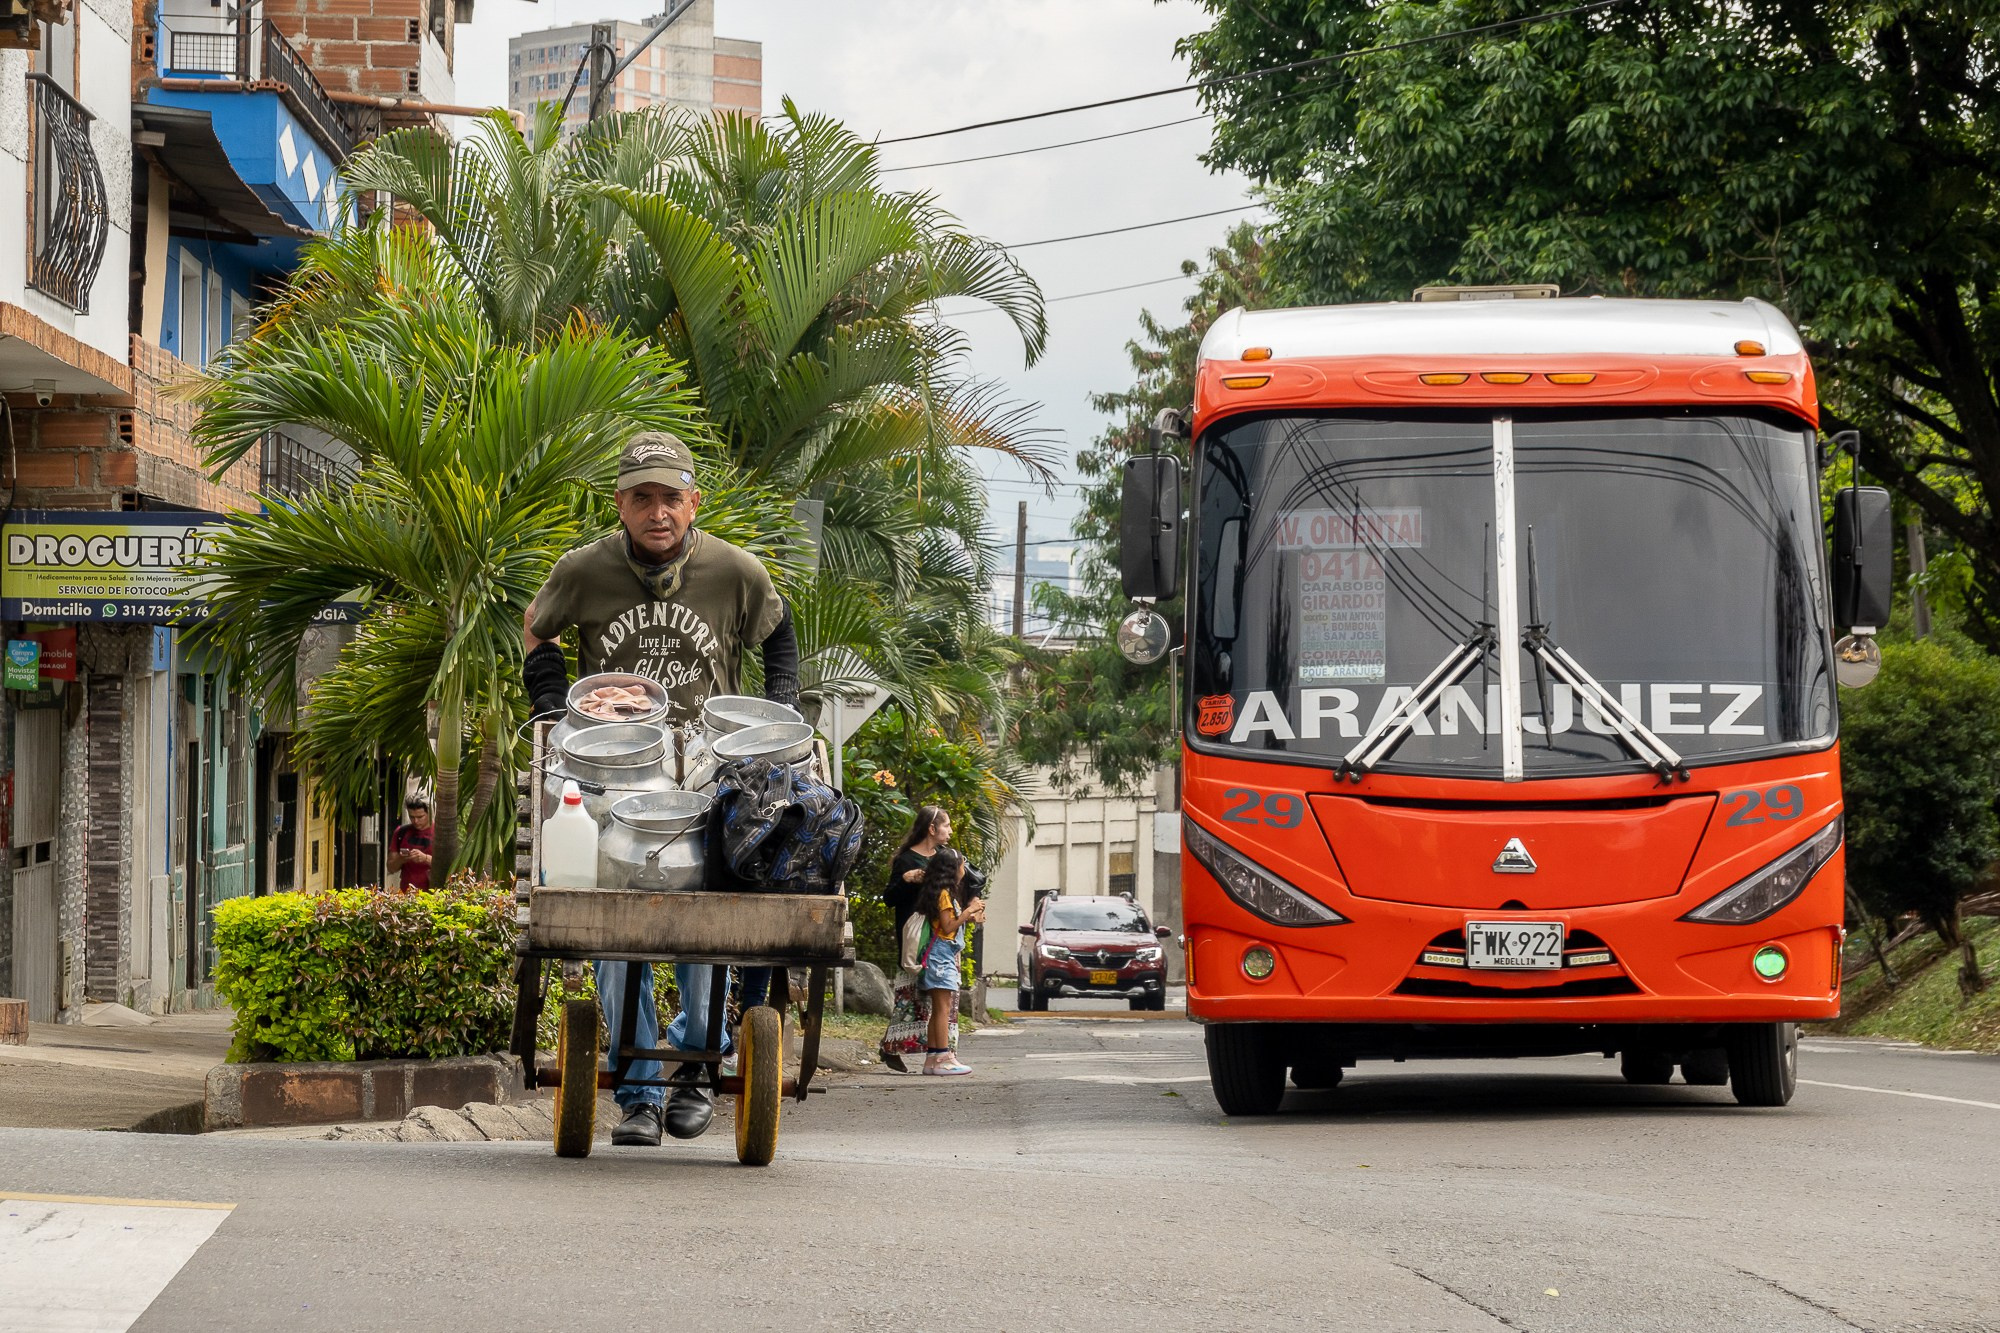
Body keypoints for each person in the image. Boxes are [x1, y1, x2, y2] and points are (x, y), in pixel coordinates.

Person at [522, 430, 800, 1148]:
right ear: (620, 503)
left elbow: (777, 627)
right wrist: (550, 709)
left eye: (670, 498)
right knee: (618, 933)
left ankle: (693, 1072)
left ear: (692, 502)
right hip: (612, 776)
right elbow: (537, 628)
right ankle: (641, 1088)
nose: (657, 512)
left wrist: (781, 708)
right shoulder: (583, 570)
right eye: (641, 498)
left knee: (705, 926)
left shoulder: (733, 571)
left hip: (709, 775)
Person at [916, 848, 983, 1076]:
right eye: (962, 865)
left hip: (939, 954)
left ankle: (933, 1059)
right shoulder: (944, 894)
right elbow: (948, 927)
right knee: (943, 1009)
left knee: (939, 1009)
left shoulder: (943, 892)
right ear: (953, 870)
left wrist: (969, 915)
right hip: (941, 956)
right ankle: (944, 1058)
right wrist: (968, 911)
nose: (964, 869)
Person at [885, 805, 952, 941]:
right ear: (932, 829)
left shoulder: (945, 856)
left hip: (944, 936)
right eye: (947, 826)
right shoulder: (905, 860)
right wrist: (905, 880)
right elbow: (889, 899)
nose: (950, 831)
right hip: (916, 937)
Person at [386, 797, 433, 891]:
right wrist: (401, 859)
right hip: (407, 893)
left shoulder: (440, 832)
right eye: (412, 817)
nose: (415, 821)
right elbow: (391, 868)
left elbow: (450, 867)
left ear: (429, 813)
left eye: (420, 817)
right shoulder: (401, 832)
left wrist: (425, 858)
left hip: (433, 893)